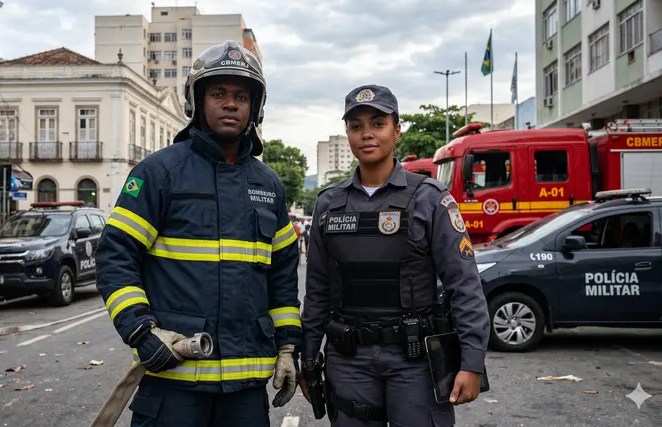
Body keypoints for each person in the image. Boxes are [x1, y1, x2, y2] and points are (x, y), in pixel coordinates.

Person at [95, 40, 301, 427]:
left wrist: (288, 347)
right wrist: (140, 331)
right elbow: (116, 256)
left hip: (245, 393)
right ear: (197, 100)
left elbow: (283, 275)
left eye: (241, 96)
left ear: (255, 106)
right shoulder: (158, 173)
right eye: (218, 93)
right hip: (174, 381)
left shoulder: (269, 185)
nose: (230, 104)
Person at [299, 85, 490, 427]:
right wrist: (309, 357)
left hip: (414, 359)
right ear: (348, 134)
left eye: (378, 123)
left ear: (397, 130)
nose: (366, 134)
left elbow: (464, 284)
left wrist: (472, 362)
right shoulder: (328, 203)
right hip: (349, 360)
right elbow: (317, 292)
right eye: (356, 126)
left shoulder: (430, 198)